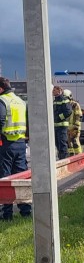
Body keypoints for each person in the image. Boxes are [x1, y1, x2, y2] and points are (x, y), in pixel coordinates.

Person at [0, 77, 31, 221]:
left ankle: (6, 214)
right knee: (21, 177)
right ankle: (26, 211)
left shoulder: (2, 101)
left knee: (4, 179)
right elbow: (28, 121)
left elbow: (0, 121)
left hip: (6, 144)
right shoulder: (20, 101)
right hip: (20, 143)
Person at [52, 85, 72, 160]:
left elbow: (68, 111)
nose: (53, 92)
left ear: (59, 91)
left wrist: (59, 117)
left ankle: (64, 160)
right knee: (57, 144)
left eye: (54, 90)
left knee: (62, 144)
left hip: (62, 126)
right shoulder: (55, 101)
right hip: (56, 126)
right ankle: (61, 159)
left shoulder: (64, 100)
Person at [64, 89, 83, 156]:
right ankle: (71, 156)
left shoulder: (75, 105)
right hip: (67, 128)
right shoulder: (65, 105)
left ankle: (79, 156)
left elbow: (79, 115)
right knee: (68, 143)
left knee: (75, 142)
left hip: (74, 127)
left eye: (66, 98)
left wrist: (76, 126)